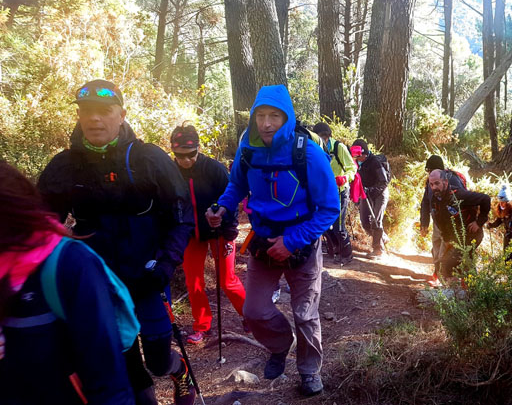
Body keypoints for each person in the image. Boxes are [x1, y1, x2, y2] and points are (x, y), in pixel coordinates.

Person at [37, 79, 196, 405]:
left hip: (148, 277)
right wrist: (59, 236)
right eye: (86, 112)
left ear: (121, 114)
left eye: (104, 111)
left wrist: (167, 262)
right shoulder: (65, 166)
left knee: (156, 358)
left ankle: (178, 371)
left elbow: (181, 216)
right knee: (123, 358)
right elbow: (39, 220)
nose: (94, 119)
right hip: (98, 284)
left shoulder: (148, 159)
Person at [205, 85, 338, 397]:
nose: (266, 123)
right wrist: (222, 207)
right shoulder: (247, 148)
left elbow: (330, 208)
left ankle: (309, 372)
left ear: (286, 118)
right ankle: (280, 346)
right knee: (254, 311)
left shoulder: (308, 153)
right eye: (261, 115)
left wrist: (292, 241)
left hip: (301, 245)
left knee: (305, 315)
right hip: (262, 243)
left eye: (274, 116)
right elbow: (236, 184)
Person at [0, 160, 135, 405]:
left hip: (138, 270)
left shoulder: (69, 264)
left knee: (155, 350)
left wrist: (162, 265)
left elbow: (109, 381)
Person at [170, 123, 247, 344]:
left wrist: (229, 227)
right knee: (193, 281)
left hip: (219, 231)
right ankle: (202, 325)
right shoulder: (171, 171)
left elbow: (232, 198)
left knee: (227, 279)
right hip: (190, 234)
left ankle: (249, 316)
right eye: (179, 155)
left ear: (198, 148)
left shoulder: (214, 169)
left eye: (190, 155)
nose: (185, 160)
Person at [427, 169, 491, 281]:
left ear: (445, 182)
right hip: (457, 237)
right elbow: (440, 222)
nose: (434, 187)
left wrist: (479, 222)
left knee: (452, 262)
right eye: (431, 184)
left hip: (472, 234)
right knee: (446, 262)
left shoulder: (459, 195)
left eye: (437, 183)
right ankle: (464, 290)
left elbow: (485, 199)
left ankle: (461, 291)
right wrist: (447, 239)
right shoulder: (435, 200)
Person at [312, 122, 357, 264]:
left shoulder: (339, 147)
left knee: (339, 225)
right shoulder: (314, 148)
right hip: (323, 192)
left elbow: (352, 168)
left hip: (340, 191)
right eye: (320, 137)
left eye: (325, 137)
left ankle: (346, 255)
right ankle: (335, 249)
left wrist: (345, 178)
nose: (323, 140)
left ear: (329, 136)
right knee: (324, 223)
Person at [419, 155, 464, 286]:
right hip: (437, 221)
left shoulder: (453, 180)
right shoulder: (431, 181)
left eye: (430, 171)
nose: (429, 175)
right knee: (436, 247)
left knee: (446, 250)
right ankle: (438, 273)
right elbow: (425, 202)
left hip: (451, 223)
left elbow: (461, 201)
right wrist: (424, 223)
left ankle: (446, 279)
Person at [350, 139, 391, 259]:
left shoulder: (375, 162)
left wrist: (372, 190)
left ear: (365, 153)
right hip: (366, 194)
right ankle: (382, 237)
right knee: (365, 222)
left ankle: (378, 250)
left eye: (360, 156)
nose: (358, 158)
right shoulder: (357, 164)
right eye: (356, 156)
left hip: (380, 193)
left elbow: (383, 181)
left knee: (376, 221)